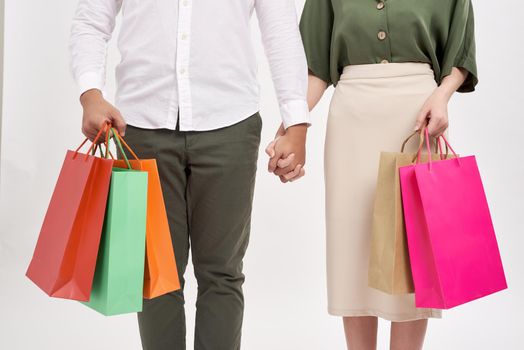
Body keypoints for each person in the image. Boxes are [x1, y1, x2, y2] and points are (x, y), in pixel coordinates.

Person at [69, 1, 310, 349]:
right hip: (141, 124)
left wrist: (296, 120)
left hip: (230, 122)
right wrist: (90, 93)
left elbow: (281, 30)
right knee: (156, 273)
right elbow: (92, 18)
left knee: (222, 273)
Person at [268, 0, 477, 349]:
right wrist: (290, 125)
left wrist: (442, 96)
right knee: (354, 247)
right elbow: (316, 65)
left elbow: (461, 47)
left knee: (413, 257)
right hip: (352, 118)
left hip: (417, 116)